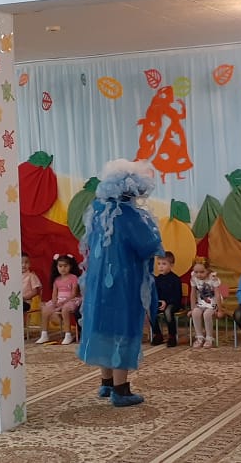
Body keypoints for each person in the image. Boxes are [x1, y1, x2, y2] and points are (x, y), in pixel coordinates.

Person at [77, 159, 164, 407]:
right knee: (122, 329)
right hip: (124, 282)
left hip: (98, 282)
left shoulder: (97, 210)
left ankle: (106, 383)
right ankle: (121, 390)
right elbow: (148, 245)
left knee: (103, 328)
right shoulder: (130, 215)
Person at [35, 254, 83, 345]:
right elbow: (54, 294)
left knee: (65, 309)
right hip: (59, 300)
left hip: (71, 300)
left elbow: (74, 294)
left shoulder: (73, 278)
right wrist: (54, 302)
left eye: (65, 266)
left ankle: (68, 334)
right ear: (56, 267)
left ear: (70, 266)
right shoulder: (56, 280)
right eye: (60, 266)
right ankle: (44, 334)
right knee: (45, 310)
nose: (63, 268)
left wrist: (63, 302)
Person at [189, 259, 223, 349]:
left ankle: (209, 338)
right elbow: (192, 294)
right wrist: (192, 308)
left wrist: (220, 310)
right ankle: (199, 337)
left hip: (213, 302)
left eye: (202, 272)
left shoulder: (213, 278)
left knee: (207, 314)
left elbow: (217, 294)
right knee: (195, 313)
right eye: (196, 272)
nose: (199, 275)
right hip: (201, 302)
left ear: (207, 270)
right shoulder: (194, 277)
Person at [152, 251, 183, 347]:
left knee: (168, 311)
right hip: (161, 302)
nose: (161, 267)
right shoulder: (157, 279)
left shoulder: (175, 279)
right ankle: (158, 334)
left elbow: (177, 296)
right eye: (159, 264)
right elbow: (155, 293)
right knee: (150, 309)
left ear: (171, 265)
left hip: (173, 303)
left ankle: (172, 336)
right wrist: (158, 301)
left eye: (164, 264)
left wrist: (166, 302)